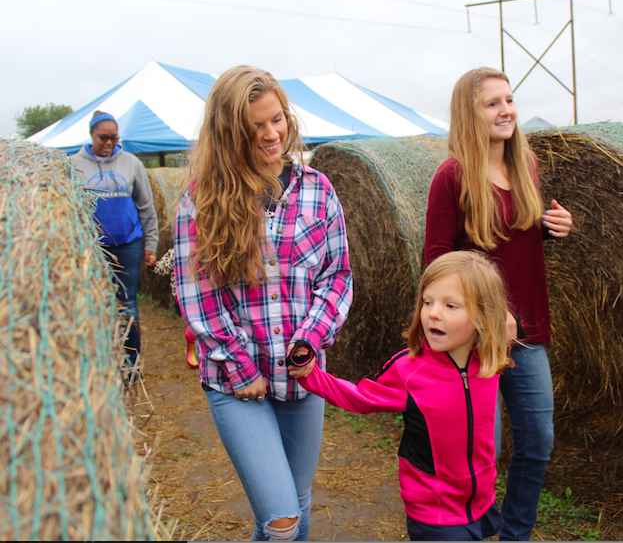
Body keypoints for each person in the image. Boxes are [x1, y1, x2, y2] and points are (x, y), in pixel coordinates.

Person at [173, 65, 353, 541]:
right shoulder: (201, 197)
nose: (273, 134)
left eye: (278, 119)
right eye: (256, 127)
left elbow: (336, 277)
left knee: (297, 508)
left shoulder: (318, 190)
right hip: (238, 384)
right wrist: (237, 365)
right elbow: (197, 292)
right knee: (281, 521)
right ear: (229, 134)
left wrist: (310, 342)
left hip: (301, 379)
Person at [424, 67, 574, 541]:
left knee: (537, 444)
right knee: (481, 452)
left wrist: (556, 227)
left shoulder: (525, 164)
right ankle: (471, 533)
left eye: (509, 100)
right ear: (470, 113)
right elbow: (436, 260)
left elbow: (515, 242)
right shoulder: (451, 177)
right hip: (475, 340)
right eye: (492, 103)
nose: (506, 110)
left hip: (527, 332)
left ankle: (514, 535)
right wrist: (488, 310)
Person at [291, 251, 513, 541]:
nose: (433, 313)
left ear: (484, 316)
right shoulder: (410, 371)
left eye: (450, 305)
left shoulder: (489, 362)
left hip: (480, 501)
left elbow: (506, 326)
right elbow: (359, 397)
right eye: (427, 302)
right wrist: (311, 375)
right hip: (434, 509)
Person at [70, 110, 158, 374]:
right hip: (92, 248)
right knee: (95, 302)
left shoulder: (131, 163)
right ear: (91, 135)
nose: (109, 143)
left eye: (114, 138)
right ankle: (101, 362)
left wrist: (151, 244)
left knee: (127, 303)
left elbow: (146, 206)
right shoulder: (74, 164)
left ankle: (131, 364)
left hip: (128, 244)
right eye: (103, 138)